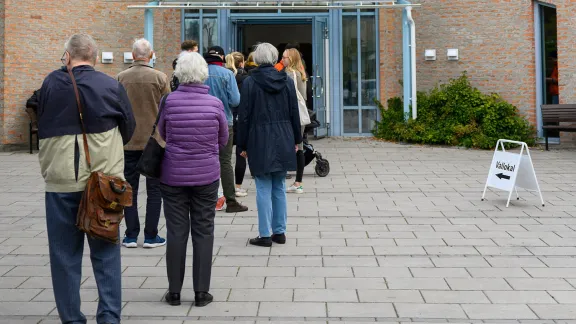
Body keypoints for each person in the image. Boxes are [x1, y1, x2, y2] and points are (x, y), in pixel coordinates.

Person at [38, 34, 135, 324]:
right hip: (104, 186)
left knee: (64, 256)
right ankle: (108, 317)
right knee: (106, 254)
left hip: (61, 181)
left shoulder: (51, 85)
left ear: (67, 56)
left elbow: (40, 121)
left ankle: (71, 319)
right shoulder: (111, 86)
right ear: (93, 57)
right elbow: (128, 129)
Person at [159, 52, 228, 308]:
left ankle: (174, 292)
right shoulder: (215, 104)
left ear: (179, 74)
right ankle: (201, 293)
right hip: (206, 176)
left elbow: (162, 133)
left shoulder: (169, 102)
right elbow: (223, 140)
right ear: (203, 74)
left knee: (176, 232)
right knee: (204, 231)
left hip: (173, 175)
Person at [236, 43, 302, 247]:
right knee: (280, 186)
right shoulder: (287, 80)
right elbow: (294, 112)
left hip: (258, 137)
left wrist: (242, 144)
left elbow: (244, 116)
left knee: (263, 186)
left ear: (256, 58)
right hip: (283, 135)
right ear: (274, 59)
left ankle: (265, 234)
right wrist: (297, 139)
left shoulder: (249, 82)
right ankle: (280, 232)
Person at [117, 38, 170, 248]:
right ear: (151, 55)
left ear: (132, 55)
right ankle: (150, 235)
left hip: (128, 141)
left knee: (128, 189)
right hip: (154, 141)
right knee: (154, 190)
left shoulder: (121, 77)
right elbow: (168, 108)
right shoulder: (160, 77)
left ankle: (130, 235)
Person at [204, 46, 248, 213]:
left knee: (205, 158)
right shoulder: (227, 74)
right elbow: (236, 100)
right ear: (221, 58)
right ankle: (230, 200)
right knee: (225, 160)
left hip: (202, 122)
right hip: (224, 121)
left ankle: (207, 198)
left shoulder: (200, 73)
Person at [283, 48, 308, 194]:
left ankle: (296, 182)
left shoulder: (289, 74)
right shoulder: (300, 73)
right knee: (299, 146)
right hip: (300, 116)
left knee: (291, 146)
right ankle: (298, 181)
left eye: (285, 57)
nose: (282, 59)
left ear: (291, 59)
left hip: (291, 116)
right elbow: (304, 96)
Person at [225, 52, 250, 197]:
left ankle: (223, 186)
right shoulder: (246, 79)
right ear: (241, 63)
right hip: (240, 119)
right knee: (241, 153)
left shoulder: (224, 76)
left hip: (225, 118)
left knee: (224, 157)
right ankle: (237, 186)